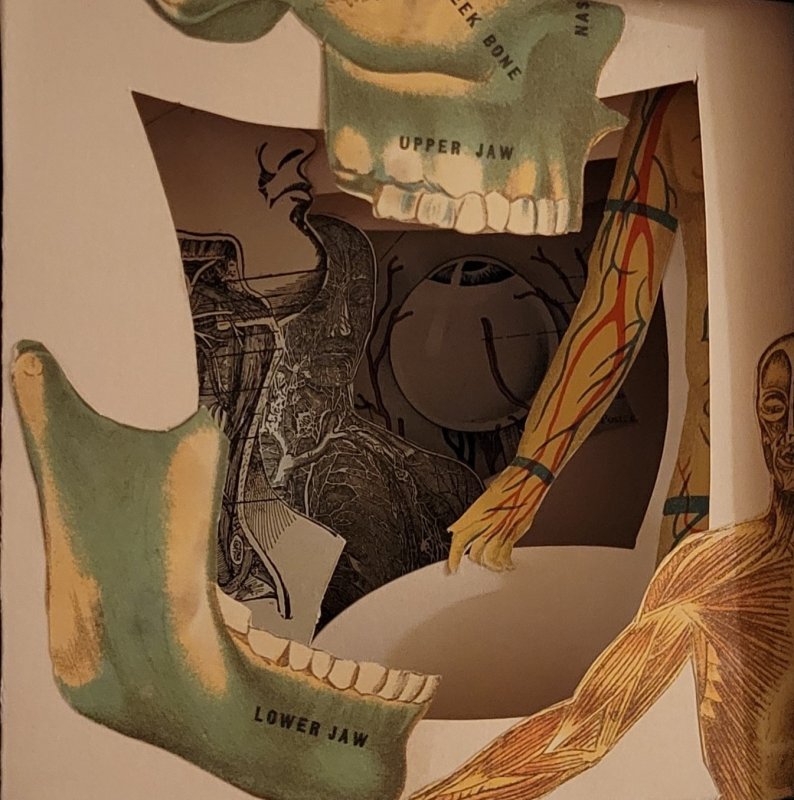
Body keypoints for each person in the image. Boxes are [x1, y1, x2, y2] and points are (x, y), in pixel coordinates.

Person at [412, 333, 794, 800]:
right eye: (776, 407)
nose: (790, 433)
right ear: (758, 421)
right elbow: (582, 729)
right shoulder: (707, 571)